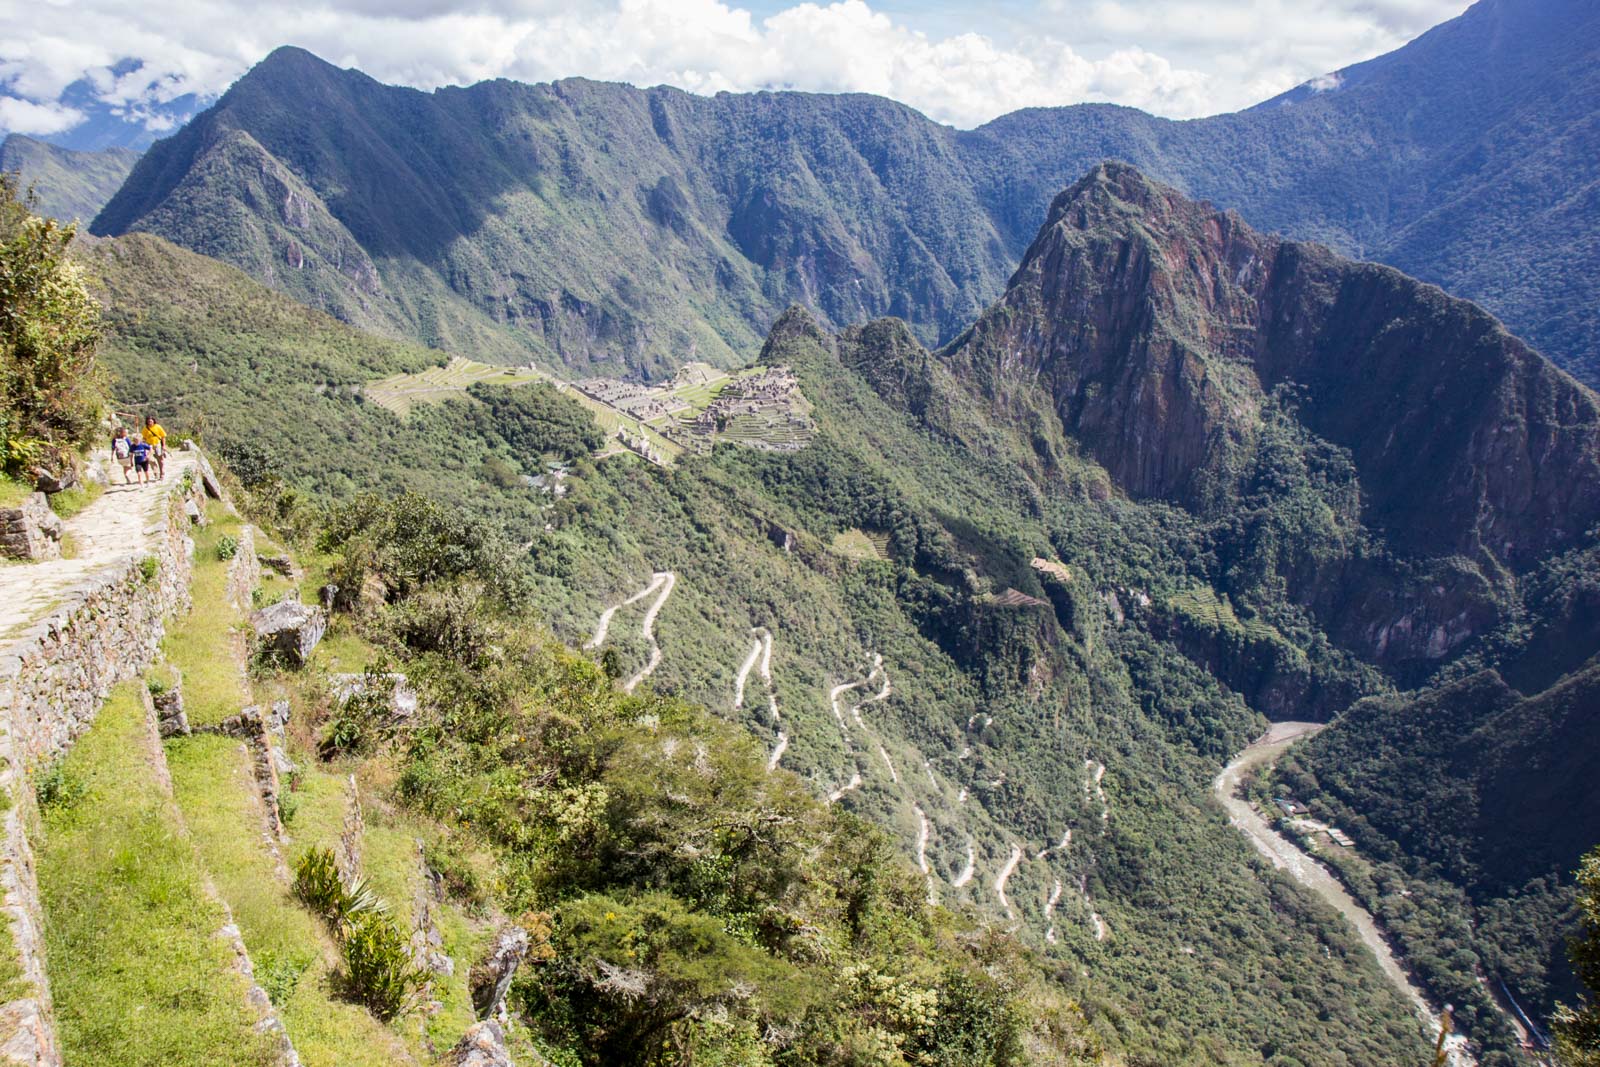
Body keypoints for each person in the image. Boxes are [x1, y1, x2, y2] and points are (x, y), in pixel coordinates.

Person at [143, 415, 168, 480]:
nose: (150, 422)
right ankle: (156, 472)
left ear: (153, 421)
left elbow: (163, 436)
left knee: (160, 459)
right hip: (149, 445)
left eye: (151, 421)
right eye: (148, 421)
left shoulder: (158, 427)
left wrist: (164, 446)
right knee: (150, 459)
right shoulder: (145, 429)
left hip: (157, 444)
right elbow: (144, 438)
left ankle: (162, 473)